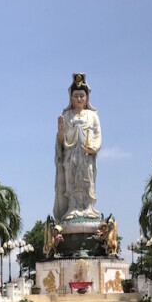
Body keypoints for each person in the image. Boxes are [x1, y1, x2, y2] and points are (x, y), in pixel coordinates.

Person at [53, 73, 102, 223]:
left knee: (87, 180)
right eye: (76, 96)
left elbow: (97, 134)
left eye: (82, 95)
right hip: (71, 155)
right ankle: (73, 208)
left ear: (87, 97)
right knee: (71, 181)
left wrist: (93, 148)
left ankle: (88, 208)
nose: (79, 99)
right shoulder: (67, 115)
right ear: (71, 98)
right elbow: (61, 141)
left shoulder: (92, 115)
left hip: (86, 156)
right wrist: (61, 130)